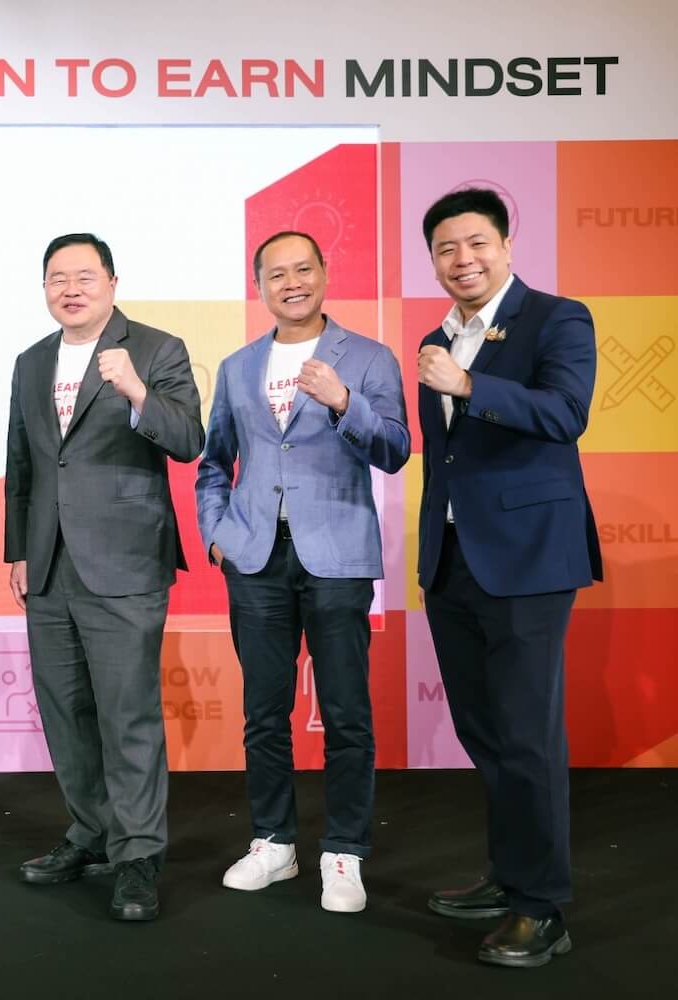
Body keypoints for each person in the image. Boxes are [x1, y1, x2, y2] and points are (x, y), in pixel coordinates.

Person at [415, 187, 601, 968]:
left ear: (506, 246)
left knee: (526, 736)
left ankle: (541, 908)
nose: (463, 260)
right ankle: (509, 872)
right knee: (484, 731)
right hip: (453, 560)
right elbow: (447, 459)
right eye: (446, 249)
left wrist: (468, 386)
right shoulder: (435, 338)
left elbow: (566, 413)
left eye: (476, 244)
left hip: (528, 559)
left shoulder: (557, 319)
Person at [196, 230, 409, 913]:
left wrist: (346, 402)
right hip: (256, 558)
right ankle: (273, 841)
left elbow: (395, 448)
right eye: (277, 274)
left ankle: (344, 851)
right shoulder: (237, 367)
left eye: (303, 269)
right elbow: (213, 463)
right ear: (259, 286)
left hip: (336, 558)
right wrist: (219, 536)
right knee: (264, 710)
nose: (292, 283)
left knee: (346, 712)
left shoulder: (368, 358)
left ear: (324, 274)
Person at [5, 233, 204, 921]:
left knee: (128, 715)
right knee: (65, 712)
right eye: (57, 278)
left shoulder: (156, 349)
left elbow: (189, 440)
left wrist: (136, 391)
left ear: (112, 283)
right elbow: (24, 462)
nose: (71, 289)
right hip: (48, 564)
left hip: (125, 561)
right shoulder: (31, 361)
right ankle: (90, 831)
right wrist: (19, 552)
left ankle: (138, 855)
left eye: (84, 276)